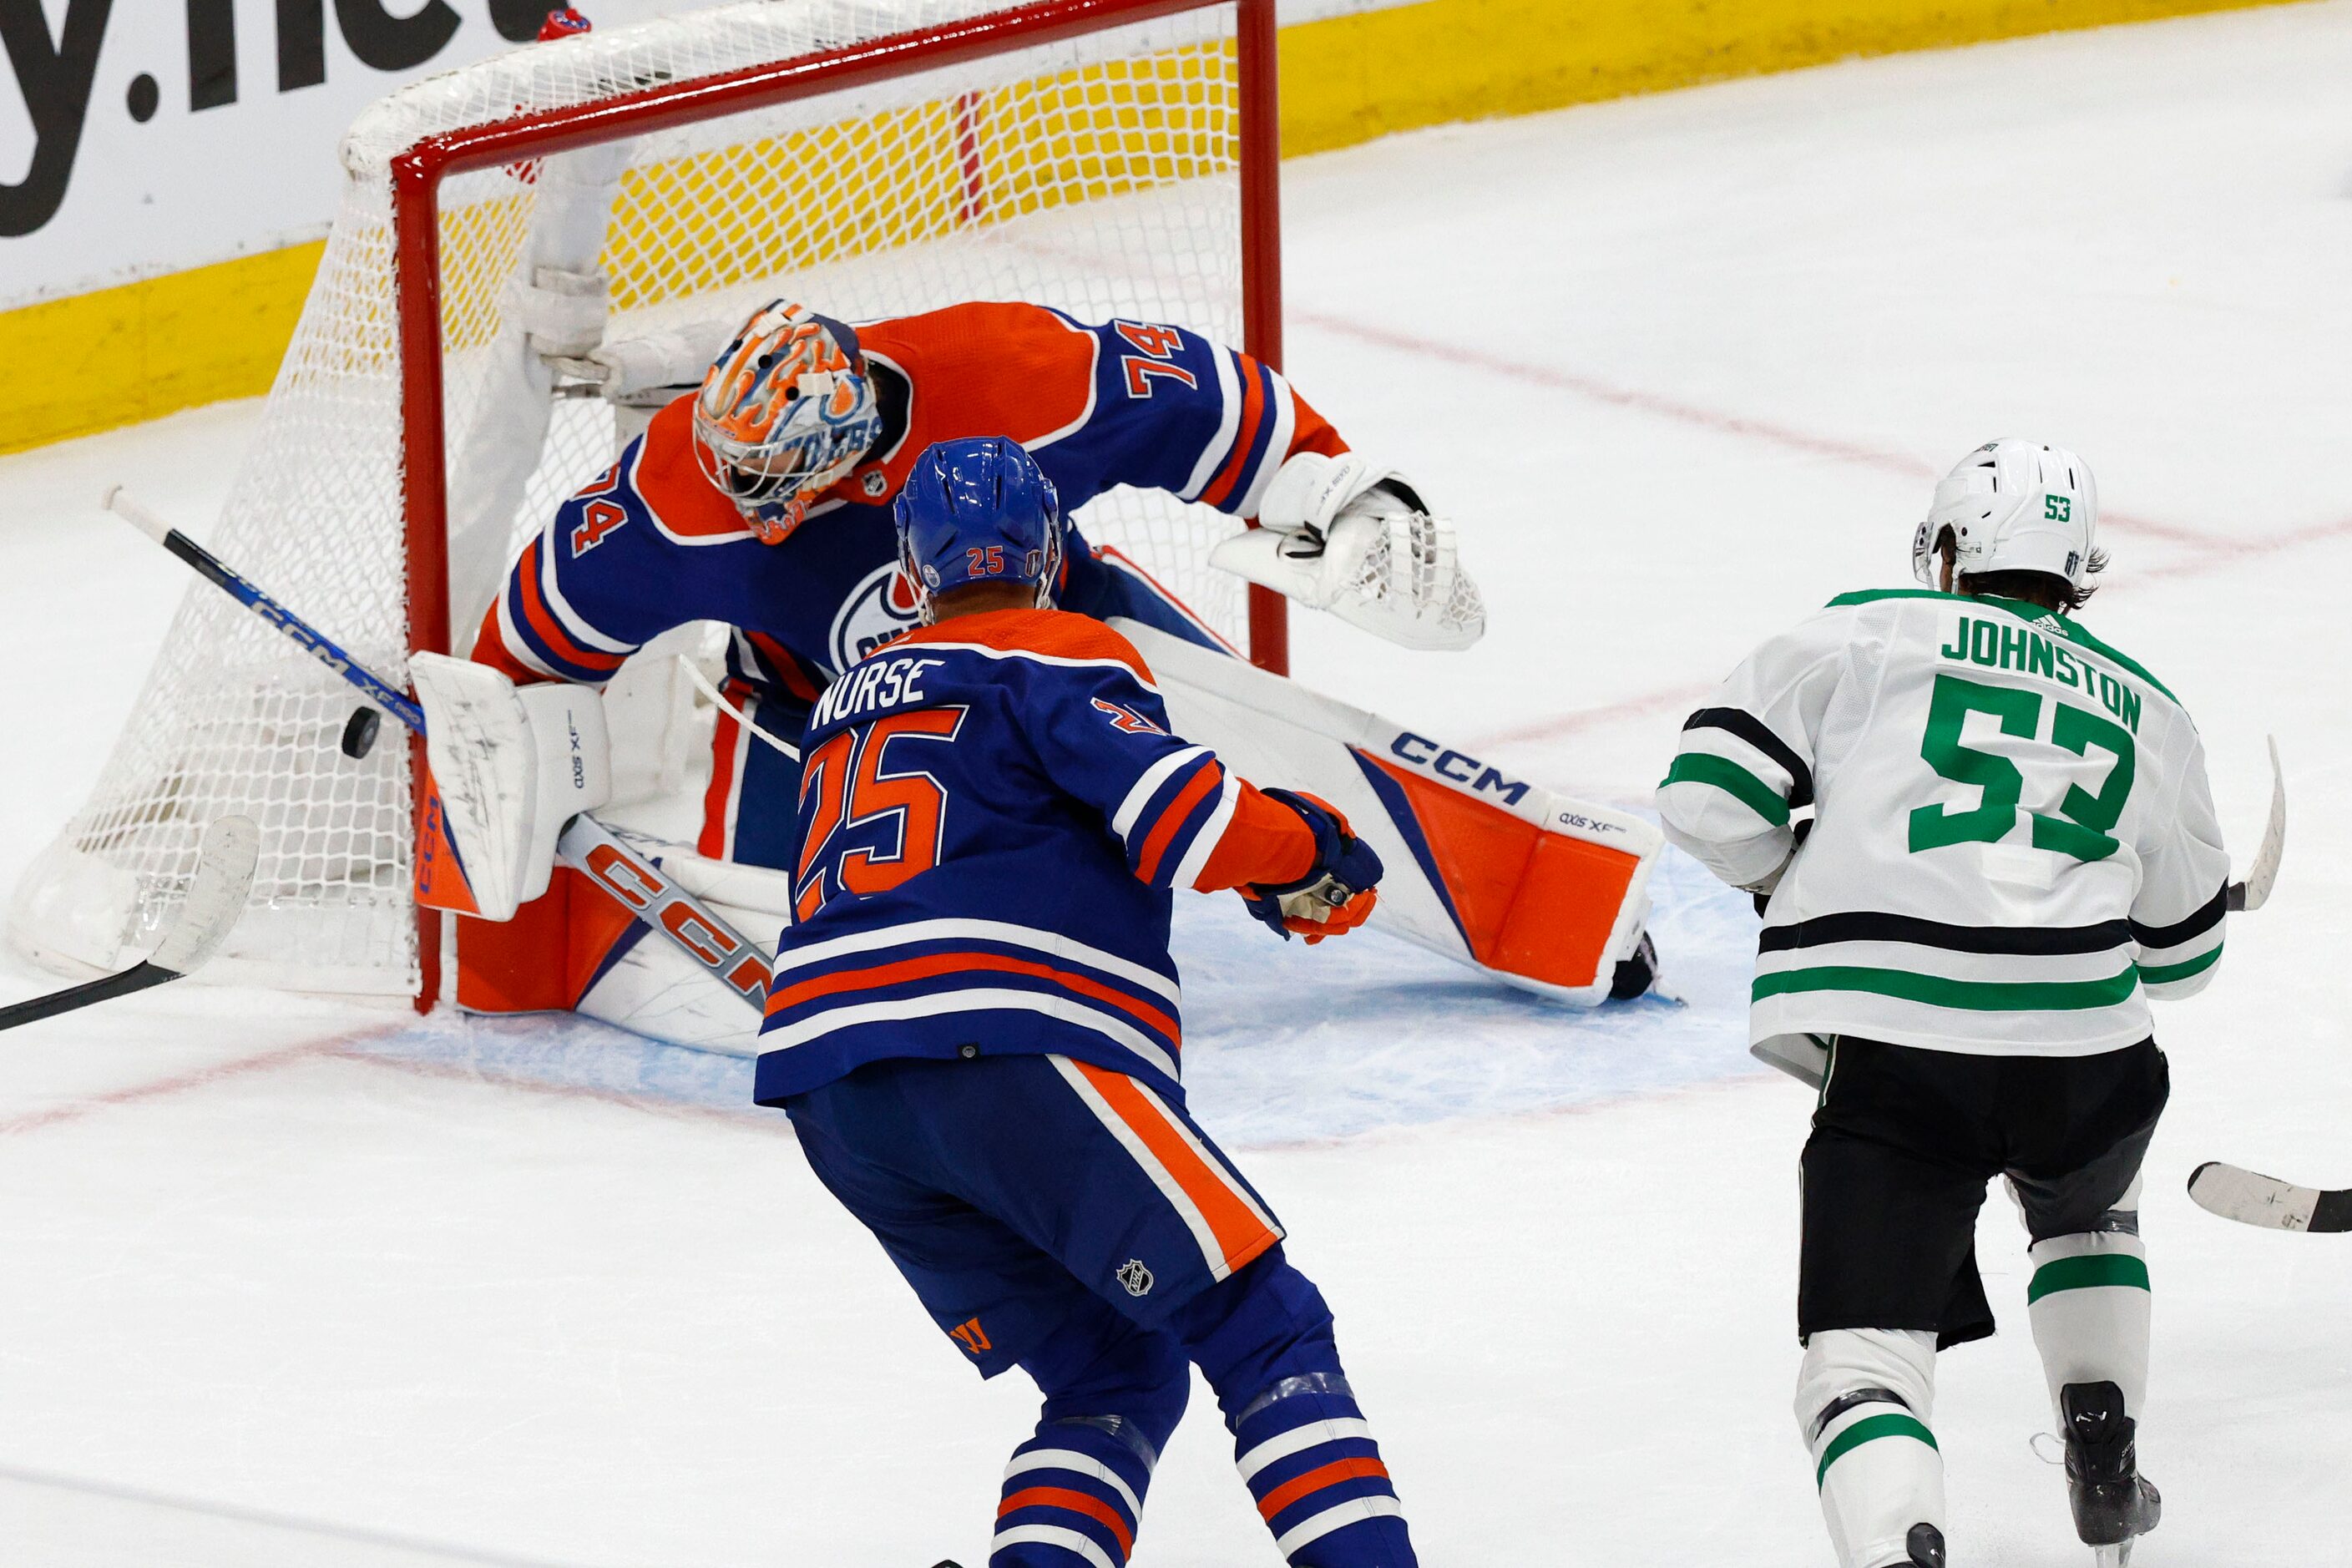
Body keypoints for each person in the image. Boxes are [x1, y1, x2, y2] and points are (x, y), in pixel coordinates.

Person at [759, 434, 1419, 1568]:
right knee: (1267, 1326)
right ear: (1049, 550)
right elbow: (1180, 813)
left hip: (834, 1093)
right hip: (1006, 1047)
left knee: (1113, 1372)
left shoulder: (840, 707)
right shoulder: (1055, 648)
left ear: (911, 572)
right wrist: (1303, 843)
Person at [1657, 439, 2228, 1568]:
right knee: (2085, 1212)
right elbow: (2180, 957)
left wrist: (1803, 872)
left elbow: (1705, 800)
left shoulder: (1860, 629)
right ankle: (2102, 1445)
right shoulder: (2153, 711)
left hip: (1903, 1048)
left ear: (1953, 544)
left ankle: (1892, 1549)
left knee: (1860, 1361)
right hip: (2091, 1052)